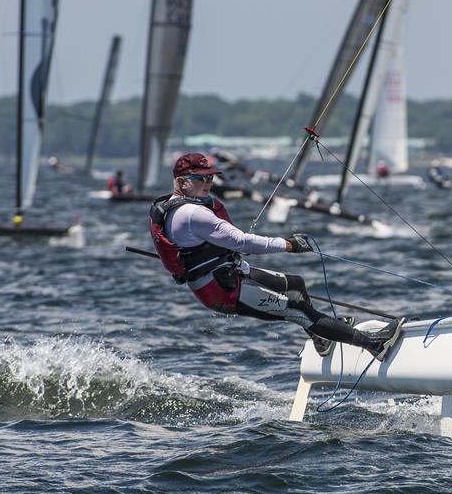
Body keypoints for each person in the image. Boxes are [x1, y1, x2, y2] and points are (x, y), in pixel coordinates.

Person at [148, 152, 402, 359]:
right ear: (182, 182)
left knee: (295, 285)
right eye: (201, 178)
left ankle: (322, 337)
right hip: (221, 289)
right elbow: (241, 242)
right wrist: (288, 245)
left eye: (211, 178)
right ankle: (375, 345)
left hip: (229, 274)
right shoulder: (193, 213)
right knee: (299, 310)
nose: (208, 183)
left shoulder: (175, 206)